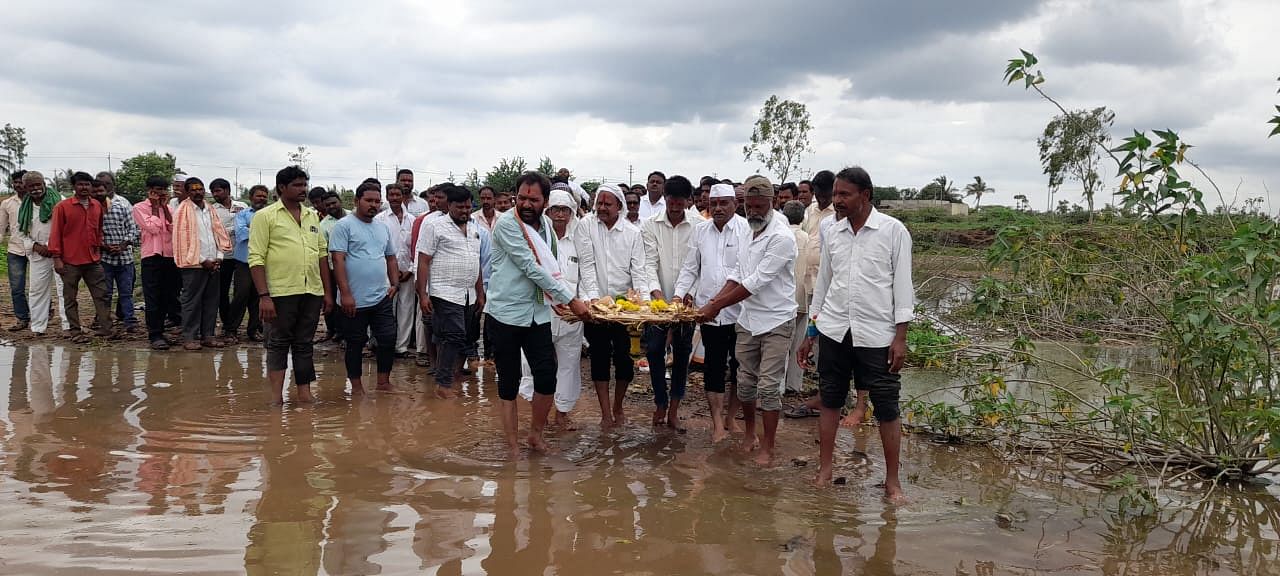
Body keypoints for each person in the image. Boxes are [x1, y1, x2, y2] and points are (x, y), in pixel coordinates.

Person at [799, 167, 913, 500]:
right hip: (834, 329)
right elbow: (823, 285)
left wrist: (900, 337)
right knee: (831, 400)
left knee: (887, 407)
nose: (837, 201)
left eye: (844, 194)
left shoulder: (893, 232)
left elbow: (903, 288)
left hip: (877, 335)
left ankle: (892, 482)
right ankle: (825, 470)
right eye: (835, 194)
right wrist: (811, 331)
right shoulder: (832, 232)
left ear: (865, 195)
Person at [484, 171, 591, 457]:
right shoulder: (507, 225)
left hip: (538, 314)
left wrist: (559, 302)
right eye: (522, 198)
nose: (527, 204)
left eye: (534, 199)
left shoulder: (544, 225)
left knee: (546, 377)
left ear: (545, 201)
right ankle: (512, 446)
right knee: (509, 382)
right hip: (505, 314)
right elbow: (532, 267)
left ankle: (535, 435)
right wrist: (571, 300)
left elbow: (550, 265)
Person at [696, 175, 797, 466]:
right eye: (748, 206)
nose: (752, 212)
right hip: (749, 319)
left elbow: (755, 282)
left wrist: (714, 306)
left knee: (768, 387)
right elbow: (738, 273)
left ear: (773, 202)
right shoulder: (746, 232)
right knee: (745, 384)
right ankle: (750, 434)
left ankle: (768, 446)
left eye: (758, 207)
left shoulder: (781, 237)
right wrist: (713, 304)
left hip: (776, 320)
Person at [249, 165, 333, 405]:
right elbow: (256, 257)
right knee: (278, 343)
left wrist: (327, 292)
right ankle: (276, 397)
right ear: (281, 188)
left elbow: (321, 255)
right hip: (280, 291)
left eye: (304, 185)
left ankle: (305, 394)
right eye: (297, 185)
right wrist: (264, 296)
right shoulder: (265, 216)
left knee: (304, 343)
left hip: (311, 290)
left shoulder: (311, 216)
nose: (302, 190)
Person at [517, 188, 598, 430]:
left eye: (565, 210)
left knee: (569, 363)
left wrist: (588, 301)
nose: (560, 215)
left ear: (572, 213)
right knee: (534, 364)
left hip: (572, 316)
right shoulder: (535, 238)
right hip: (540, 312)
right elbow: (530, 274)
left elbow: (588, 273)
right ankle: (536, 417)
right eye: (555, 210)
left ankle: (562, 413)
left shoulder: (579, 240)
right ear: (547, 211)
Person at [674, 183, 747, 442]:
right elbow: (690, 267)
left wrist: (720, 301)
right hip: (709, 313)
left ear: (735, 205)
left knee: (741, 368)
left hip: (740, 313)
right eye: (713, 203)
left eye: (724, 203)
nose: (718, 208)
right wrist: (678, 295)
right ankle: (717, 423)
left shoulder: (746, 231)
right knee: (713, 367)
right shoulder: (700, 231)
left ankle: (732, 417)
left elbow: (743, 273)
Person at [580, 183, 647, 428]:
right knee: (598, 357)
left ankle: (618, 405)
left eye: (608, 204)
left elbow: (638, 271)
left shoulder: (632, 233)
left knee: (625, 359)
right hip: (596, 307)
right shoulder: (587, 226)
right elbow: (586, 266)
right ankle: (605, 412)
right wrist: (595, 301)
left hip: (624, 309)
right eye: (599, 203)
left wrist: (642, 305)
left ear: (619, 206)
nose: (602, 208)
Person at [640, 175, 704, 430]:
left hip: (687, 304)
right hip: (658, 302)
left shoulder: (699, 225)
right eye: (671, 201)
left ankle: (675, 409)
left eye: (680, 202)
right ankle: (660, 403)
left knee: (681, 354)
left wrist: (690, 293)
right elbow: (648, 263)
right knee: (654, 351)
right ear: (665, 199)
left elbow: (700, 265)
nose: (675, 206)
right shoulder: (650, 225)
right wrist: (657, 297)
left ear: (688, 200)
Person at [416, 185, 486, 399]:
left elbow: (477, 262)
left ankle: (451, 377)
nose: (464, 211)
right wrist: (423, 294)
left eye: (468, 207)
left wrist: (480, 292)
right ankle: (443, 384)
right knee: (454, 335)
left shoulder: (474, 229)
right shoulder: (434, 226)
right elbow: (423, 261)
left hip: (468, 294)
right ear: (449, 206)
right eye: (460, 207)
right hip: (444, 291)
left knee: (462, 336)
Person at [330, 182, 399, 395]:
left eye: (377, 201)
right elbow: (338, 260)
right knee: (355, 343)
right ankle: (357, 386)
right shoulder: (344, 226)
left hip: (381, 297)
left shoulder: (382, 227)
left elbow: (390, 257)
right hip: (354, 300)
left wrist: (394, 284)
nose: (373, 205)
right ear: (356, 201)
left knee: (388, 339)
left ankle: (383, 382)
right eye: (369, 201)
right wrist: (346, 294)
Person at [48, 171, 112, 342]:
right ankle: (75, 331)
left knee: (102, 294)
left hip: (92, 260)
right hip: (70, 260)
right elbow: (55, 234)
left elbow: (98, 230)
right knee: (70, 297)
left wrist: (99, 249)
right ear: (74, 187)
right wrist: (57, 258)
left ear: (91, 186)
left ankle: (106, 329)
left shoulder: (96, 206)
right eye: (80, 184)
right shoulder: (62, 207)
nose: (84, 187)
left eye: (87, 184)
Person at [173, 177, 232, 350]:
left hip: (214, 262)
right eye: (193, 190)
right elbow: (182, 240)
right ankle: (190, 337)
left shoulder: (210, 209)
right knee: (192, 301)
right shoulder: (182, 211)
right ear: (187, 192)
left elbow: (219, 233)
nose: (198, 192)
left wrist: (219, 256)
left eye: (200, 189)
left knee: (211, 301)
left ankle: (208, 335)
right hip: (194, 265)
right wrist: (202, 260)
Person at [15, 171, 68, 336]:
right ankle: (38, 328)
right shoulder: (24, 207)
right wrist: (36, 246)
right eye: (32, 186)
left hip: (60, 252)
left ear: (44, 184)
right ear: (26, 188)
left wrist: (53, 247)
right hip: (38, 253)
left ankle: (68, 327)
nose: (36, 189)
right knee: (37, 290)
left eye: (39, 184)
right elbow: (21, 232)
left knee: (64, 289)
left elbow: (68, 227)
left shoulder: (61, 201)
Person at [133, 175, 182, 349]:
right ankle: (155, 335)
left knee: (168, 296)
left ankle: (162, 331)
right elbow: (152, 228)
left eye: (163, 190)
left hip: (169, 257)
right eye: (157, 190)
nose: (161, 193)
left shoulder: (169, 208)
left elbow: (174, 228)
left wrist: (164, 209)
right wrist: (154, 209)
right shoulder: (139, 208)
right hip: (151, 257)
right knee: (152, 297)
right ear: (150, 191)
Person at [94, 172, 140, 332]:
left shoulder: (123, 203)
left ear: (113, 184)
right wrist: (105, 246)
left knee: (126, 292)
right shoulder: (93, 205)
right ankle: (103, 320)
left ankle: (130, 321)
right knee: (104, 292)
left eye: (107, 184)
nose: (103, 187)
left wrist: (122, 245)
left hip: (125, 257)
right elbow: (93, 231)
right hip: (104, 257)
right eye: (100, 184)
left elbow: (133, 228)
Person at [375, 183, 418, 356]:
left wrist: (409, 270)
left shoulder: (412, 220)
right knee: (386, 310)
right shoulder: (380, 219)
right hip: (385, 272)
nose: (394, 197)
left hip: (407, 272)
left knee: (406, 309)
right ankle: (383, 345)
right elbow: (378, 247)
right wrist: (389, 272)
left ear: (403, 196)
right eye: (391, 194)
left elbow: (416, 247)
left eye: (397, 194)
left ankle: (401, 347)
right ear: (386, 196)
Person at [227, 185, 269, 342]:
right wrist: (262, 232)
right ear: (251, 198)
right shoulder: (242, 214)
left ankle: (254, 330)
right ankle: (231, 330)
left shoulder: (270, 215)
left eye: (264, 196)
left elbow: (273, 234)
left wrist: (253, 229)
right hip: (244, 261)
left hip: (264, 263)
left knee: (259, 296)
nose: (261, 199)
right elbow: (241, 233)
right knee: (241, 295)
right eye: (258, 196)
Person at [210, 178, 247, 340]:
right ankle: (227, 324)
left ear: (227, 191)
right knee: (222, 292)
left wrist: (234, 229)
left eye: (218, 191)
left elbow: (249, 225)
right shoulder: (212, 209)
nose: (215, 194)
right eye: (213, 191)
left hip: (241, 255)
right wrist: (236, 228)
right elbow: (215, 230)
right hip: (222, 256)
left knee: (241, 292)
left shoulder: (242, 206)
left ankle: (235, 323)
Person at [781, 200, 812, 394]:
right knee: (800, 343)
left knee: (782, 344)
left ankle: (779, 387)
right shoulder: (808, 239)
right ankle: (794, 384)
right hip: (803, 298)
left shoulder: (781, 237)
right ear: (802, 218)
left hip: (784, 299)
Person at [1, 169, 31, 330]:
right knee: (17, 287)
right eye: (16, 182)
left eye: (21, 182)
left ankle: (45, 310)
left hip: (36, 248)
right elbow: (1, 227)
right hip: (15, 249)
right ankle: (22, 318)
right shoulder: (7, 203)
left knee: (38, 286)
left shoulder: (36, 201)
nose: (18, 185)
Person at [318, 191, 348, 343]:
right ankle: (335, 331)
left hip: (355, 267)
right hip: (333, 268)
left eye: (333, 203)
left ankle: (348, 331)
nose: (331, 206)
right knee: (335, 300)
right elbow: (323, 251)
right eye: (327, 205)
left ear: (340, 201)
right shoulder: (323, 226)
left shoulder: (353, 217)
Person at [801, 170, 835, 236]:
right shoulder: (809, 210)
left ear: (833, 191)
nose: (822, 200)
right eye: (818, 196)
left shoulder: (838, 213)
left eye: (825, 196)